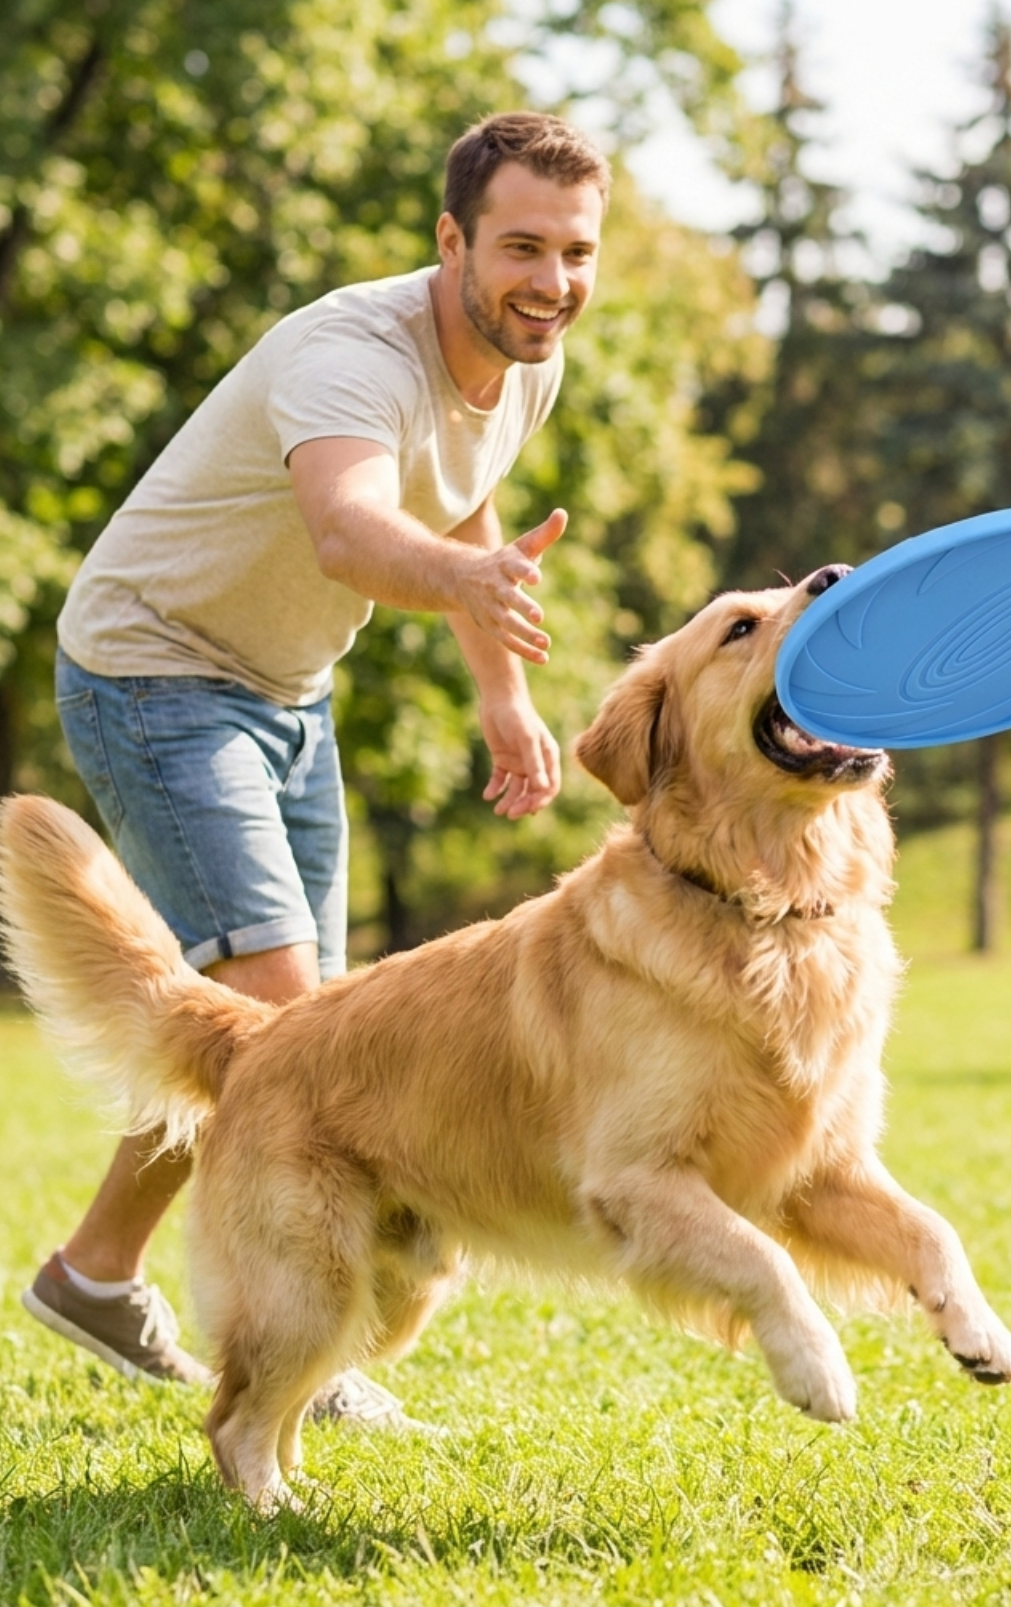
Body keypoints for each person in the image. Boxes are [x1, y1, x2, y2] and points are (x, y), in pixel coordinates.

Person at [21, 111, 610, 1425]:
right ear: (449, 238)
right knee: (302, 1046)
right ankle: (312, 1344)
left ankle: (95, 1273)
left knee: (282, 1040)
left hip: (288, 693)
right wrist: (459, 578)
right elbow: (350, 529)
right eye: (521, 246)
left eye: (575, 252)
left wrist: (504, 691)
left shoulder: (528, 357)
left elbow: (464, 498)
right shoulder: (351, 353)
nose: (552, 282)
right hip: (153, 667)